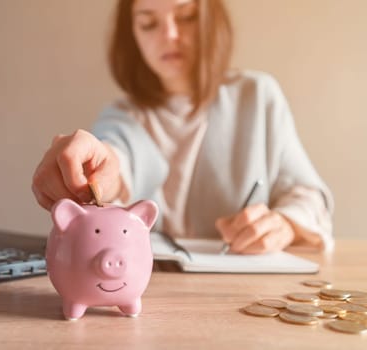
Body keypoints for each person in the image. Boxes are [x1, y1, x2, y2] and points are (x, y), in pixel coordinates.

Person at [32, 0, 334, 254]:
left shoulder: (257, 96)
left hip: (243, 293)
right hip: (152, 298)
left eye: (186, 17)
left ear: (211, 20)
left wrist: (285, 224)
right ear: (132, 37)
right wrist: (100, 171)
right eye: (148, 24)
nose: (170, 35)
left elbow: (309, 197)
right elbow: (118, 158)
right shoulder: (123, 114)